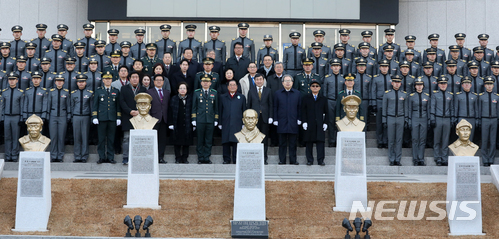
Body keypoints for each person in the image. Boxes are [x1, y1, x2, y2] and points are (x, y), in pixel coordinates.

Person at [92, 71, 121, 164]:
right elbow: (95, 105)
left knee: (111, 139)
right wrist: (95, 116)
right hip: (101, 119)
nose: (107, 81)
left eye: (109, 79)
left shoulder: (115, 91)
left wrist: (118, 117)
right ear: (103, 80)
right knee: (101, 139)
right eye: (106, 79)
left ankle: (110, 157)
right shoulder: (99, 91)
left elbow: (118, 106)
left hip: (112, 118)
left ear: (111, 80)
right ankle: (101, 157)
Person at [119, 71, 146, 164]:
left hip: (140, 117)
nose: (135, 79)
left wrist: (140, 111)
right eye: (133, 77)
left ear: (139, 79)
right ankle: (126, 157)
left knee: (139, 138)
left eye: (137, 77)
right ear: (129, 79)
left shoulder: (143, 89)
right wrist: (130, 111)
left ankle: (138, 158)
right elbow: (122, 102)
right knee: (126, 138)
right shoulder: (124, 88)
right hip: (128, 116)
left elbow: (146, 102)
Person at [273, 74, 301, 165]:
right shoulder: (277, 93)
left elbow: (299, 107)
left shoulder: (297, 93)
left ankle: (293, 160)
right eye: (286, 81)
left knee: (293, 143)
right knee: (282, 143)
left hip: (293, 121)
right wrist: (275, 119)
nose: (288, 83)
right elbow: (275, 107)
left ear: (292, 83)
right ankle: (282, 160)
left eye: (289, 81)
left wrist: (299, 118)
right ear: (282, 83)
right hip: (281, 121)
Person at [192, 74, 219, 164]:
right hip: (200, 120)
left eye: (207, 82)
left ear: (210, 83)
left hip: (210, 120)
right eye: (204, 81)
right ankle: (200, 157)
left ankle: (207, 157)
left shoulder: (214, 92)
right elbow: (194, 107)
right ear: (201, 83)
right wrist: (194, 119)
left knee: (208, 140)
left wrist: (216, 120)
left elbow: (216, 108)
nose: (205, 83)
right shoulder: (196, 92)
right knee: (200, 140)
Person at [247, 73, 273, 164]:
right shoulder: (251, 91)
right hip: (254, 119)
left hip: (265, 118)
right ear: (254, 81)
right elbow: (249, 105)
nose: (259, 81)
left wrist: (270, 116)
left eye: (260, 79)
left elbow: (270, 104)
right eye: (257, 80)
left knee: (264, 139)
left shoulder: (268, 90)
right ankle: (254, 157)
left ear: (263, 80)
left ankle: (264, 158)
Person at [219, 80, 246, 164]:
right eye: (230, 85)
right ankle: (226, 159)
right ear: (228, 87)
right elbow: (220, 110)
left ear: (237, 87)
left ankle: (235, 159)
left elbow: (244, 111)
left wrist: (243, 123)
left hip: (237, 122)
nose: (232, 86)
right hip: (225, 121)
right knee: (226, 141)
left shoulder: (241, 97)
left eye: (234, 85)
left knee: (236, 141)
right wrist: (219, 122)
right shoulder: (223, 97)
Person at [301, 80, 328, 166]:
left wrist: (325, 122)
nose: (315, 87)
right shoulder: (306, 98)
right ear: (310, 88)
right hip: (310, 123)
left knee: (320, 143)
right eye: (313, 86)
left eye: (317, 86)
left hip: (320, 123)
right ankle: (309, 160)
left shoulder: (323, 99)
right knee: (309, 142)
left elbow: (327, 112)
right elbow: (303, 111)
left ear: (320, 88)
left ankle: (321, 160)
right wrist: (304, 122)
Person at [382, 75, 407, 166]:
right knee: (391, 139)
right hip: (390, 117)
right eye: (395, 82)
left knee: (399, 140)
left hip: (400, 118)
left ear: (400, 84)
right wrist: (384, 119)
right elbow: (384, 107)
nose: (397, 84)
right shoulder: (387, 94)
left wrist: (406, 119)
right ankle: (391, 159)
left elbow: (406, 108)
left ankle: (398, 159)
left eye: (398, 82)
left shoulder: (404, 94)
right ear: (392, 83)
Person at [430, 76, 455, 166]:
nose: (443, 85)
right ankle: (437, 158)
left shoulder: (450, 95)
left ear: (447, 84)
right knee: (437, 139)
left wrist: (452, 119)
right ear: (438, 84)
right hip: (438, 118)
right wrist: (432, 118)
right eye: (441, 83)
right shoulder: (435, 94)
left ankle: (444, 158)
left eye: (444, 83)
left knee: (445, 140)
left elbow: (452, 108)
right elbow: (432, 107)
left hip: (447, 119)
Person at [406, 79, 430, 166]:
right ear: (415, 86)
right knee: (415, 139)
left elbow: (428, 109)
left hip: (424, 118)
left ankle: (421, 159)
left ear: (423, 86)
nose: (419, 86)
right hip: (414, 117)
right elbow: (409, 109)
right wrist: (408, 120)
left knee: (422, 139)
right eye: (417, 85)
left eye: (421, 85)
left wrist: (429, 120)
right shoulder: (412, 96)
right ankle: (415, 159)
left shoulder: (427, 96)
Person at [47, 74, 71, 162]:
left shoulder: (66, 92)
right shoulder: (51, 92)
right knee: (53, 137)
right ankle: (53, 156)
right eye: (58, 81)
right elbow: (48, 104)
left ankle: (60, 155)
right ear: (55, 82)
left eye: (61, 81)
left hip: (63, 116)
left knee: (61, 136)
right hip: (53, 116)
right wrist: (47, 116)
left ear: (63, 82)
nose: (59, 82)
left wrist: (68, 115)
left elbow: (68, 105)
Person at [148, 74, 171, 164]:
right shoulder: (149, 92)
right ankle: (153, 158)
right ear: (153, 82)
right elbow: (148, 106)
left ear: (163, 82)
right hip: (153, 119)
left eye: (160, 80)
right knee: (153, 140)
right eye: (157, 80)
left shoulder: (167, 92)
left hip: (164, 119)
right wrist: (149, 118)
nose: (159, 81)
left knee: (162, 140)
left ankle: (161, 157)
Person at [168, 82, 193, 164]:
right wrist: (171, 123)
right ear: (178, 90)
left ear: (187, 90)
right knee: (177, 141)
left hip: (187, 122)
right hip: (177, 122)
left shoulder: (190, 99)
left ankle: (185, 157)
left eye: (184, 88)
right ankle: (178, 157)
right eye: (181, 88)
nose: (182, 90)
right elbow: (170, 111)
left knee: (186, 141)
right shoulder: (174, 98)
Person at [70, 74, 93, 163]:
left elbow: (91, 107)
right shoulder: (73, 94)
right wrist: (71, 117)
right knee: (77, 137)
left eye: (82, 82)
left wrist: (91, 118)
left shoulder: (90, 93)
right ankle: (77, 156)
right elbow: (71, 106)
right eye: (79, 82)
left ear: (85, 83)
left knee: (85, 137)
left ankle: (84, 156)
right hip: (76, 116)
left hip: (86, 117)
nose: (81, 84)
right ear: (77, 83)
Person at [2, 72, 24, 162]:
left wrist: (22, 118)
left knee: (15, 137)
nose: (11, 81)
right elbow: (2, 106)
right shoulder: (4, 92)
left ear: (17, 80)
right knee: (7, 137)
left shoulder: (20, 93)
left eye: (13, 79)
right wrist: (2, 118)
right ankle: (8, 155)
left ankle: (14, 155)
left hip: (16, 117)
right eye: (10, 80)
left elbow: (22, 106)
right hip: (7, 117)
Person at [323, 58, 345, 147]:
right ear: (331, 67)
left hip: (341, 102)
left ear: (340, 67)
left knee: (341, 121)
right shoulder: (327, 78)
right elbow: (325, 92)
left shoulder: (343, 78)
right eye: (334, 66)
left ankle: (340, 140)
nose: (336, 68)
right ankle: (332, 140)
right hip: (330, 101)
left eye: (337, 66)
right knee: (331, 121)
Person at [478, 76, 499, 166]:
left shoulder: (497, 97)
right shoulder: (481, 96)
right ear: (485, 85)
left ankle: (491, 158)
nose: (489, 86)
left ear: (493, 86)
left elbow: (498, 109)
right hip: (484, 119)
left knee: (493, 140)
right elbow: (478, 109)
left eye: (491, 84)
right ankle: (485, 159)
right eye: (487, 84)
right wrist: (478, 119)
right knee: (485, 140)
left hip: (494, 119)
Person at [454, 77, 478, 143]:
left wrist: (477, 119)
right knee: (461, 137)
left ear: (471, 85)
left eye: (468, 83)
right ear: (462, 85)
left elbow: (476, 109)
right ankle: (460, 153)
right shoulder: (458, 95)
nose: (466, 85)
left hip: (472, 119)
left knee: (470, 137)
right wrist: (455, 118)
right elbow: (456, 108)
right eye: (465, 83)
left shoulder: (475, 96)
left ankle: (469, 153)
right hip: (461, 118)